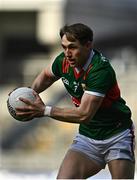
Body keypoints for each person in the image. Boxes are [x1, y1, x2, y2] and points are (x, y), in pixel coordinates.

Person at [16, 23, 135, 179]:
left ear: (88, 45)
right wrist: (28, 94)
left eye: (72, 47)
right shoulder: (63, 61)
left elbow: (84, 114)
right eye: (64, 47)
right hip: (88, 137)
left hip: (117, 135)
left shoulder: (100, 70)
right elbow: (46, 75)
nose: (67, 53)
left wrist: (44, 110)